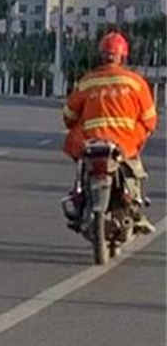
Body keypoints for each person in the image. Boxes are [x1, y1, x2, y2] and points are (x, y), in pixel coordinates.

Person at [61, 29, 157, 234]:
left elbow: (69, 116)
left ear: (102, 55)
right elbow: (150, 119)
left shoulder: (87, 81)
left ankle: (79, 198)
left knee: (81, 164)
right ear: (123, 56)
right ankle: (136, 206)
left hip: (91, 143)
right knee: (135, 170)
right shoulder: (135, 82)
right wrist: (140, 134)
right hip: (124, 144)